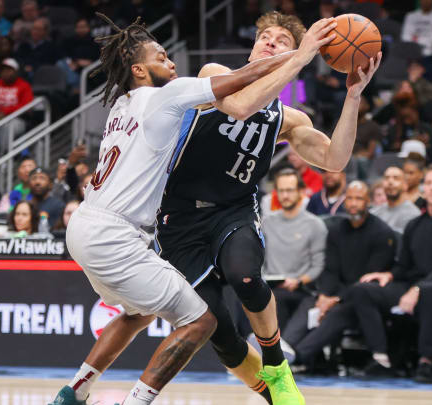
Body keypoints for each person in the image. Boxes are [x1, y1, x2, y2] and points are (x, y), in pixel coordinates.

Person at [51, 13, 336, 405]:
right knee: (202, 321)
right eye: (162, 56)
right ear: (139, 68)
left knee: (138, 313)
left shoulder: (121, 103)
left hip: (87, 223)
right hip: (124, 231)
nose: (171, 62)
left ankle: (74, 392)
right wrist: (300, 57)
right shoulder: (172, 94)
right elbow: (236, 95)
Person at [155, 11, 380, 405]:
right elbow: (241, 106)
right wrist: (301, 55)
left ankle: (276, 364)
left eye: (283, 40)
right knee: (217, 329)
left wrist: (353, 96)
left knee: (245, 276)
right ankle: (273, 396)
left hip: (233, 210)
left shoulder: (288, 117)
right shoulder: (214, 72)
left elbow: (336, 159)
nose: (271, 42)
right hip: (179, 217)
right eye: (265, 37)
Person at [349, 165, 432, 382]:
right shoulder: (415, 223)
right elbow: (404, 265)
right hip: (409, 284)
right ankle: (381, 357)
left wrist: (417, 289)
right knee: (362, 290)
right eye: (429, 183)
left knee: (430, 291)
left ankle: (426, 360)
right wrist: (389, 276)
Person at [283, 182, 397, 372]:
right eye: (350, 198)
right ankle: (282, 349)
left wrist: (336, 299)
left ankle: (298, 358)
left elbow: (368, 279)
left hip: (362, 300)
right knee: (309, 303)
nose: (353, 203)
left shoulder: (382, 233)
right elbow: (330, 269)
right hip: (335, 292)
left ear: (368, 201)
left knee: (339, 313)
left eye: (359, 199)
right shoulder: (336, 230)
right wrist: (324, 296)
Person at [261, 168, 327, 329]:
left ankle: (277, 349)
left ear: (301, 192)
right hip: (269, 286)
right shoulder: (266, 222)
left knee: (276, 300)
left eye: (290, 190)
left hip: (301, 289)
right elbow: (259, 259)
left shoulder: (315, 225)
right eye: (281, 191)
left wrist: (298, 281)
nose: (285, 196)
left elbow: (318, 265)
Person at [0, 58, 33, 135]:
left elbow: (26, 106)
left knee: (5, 128)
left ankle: (3, 148)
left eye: (9, 70)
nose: (5, 72)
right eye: (2, 70)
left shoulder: (24, 86)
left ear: (16, 71)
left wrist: (5, 113)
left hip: (15, 119)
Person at [371, 166, 421, 233]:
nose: (390, 182)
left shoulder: (414, 215)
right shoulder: (374, 213)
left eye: (396, 178)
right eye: (386, 178)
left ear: (405, 185)